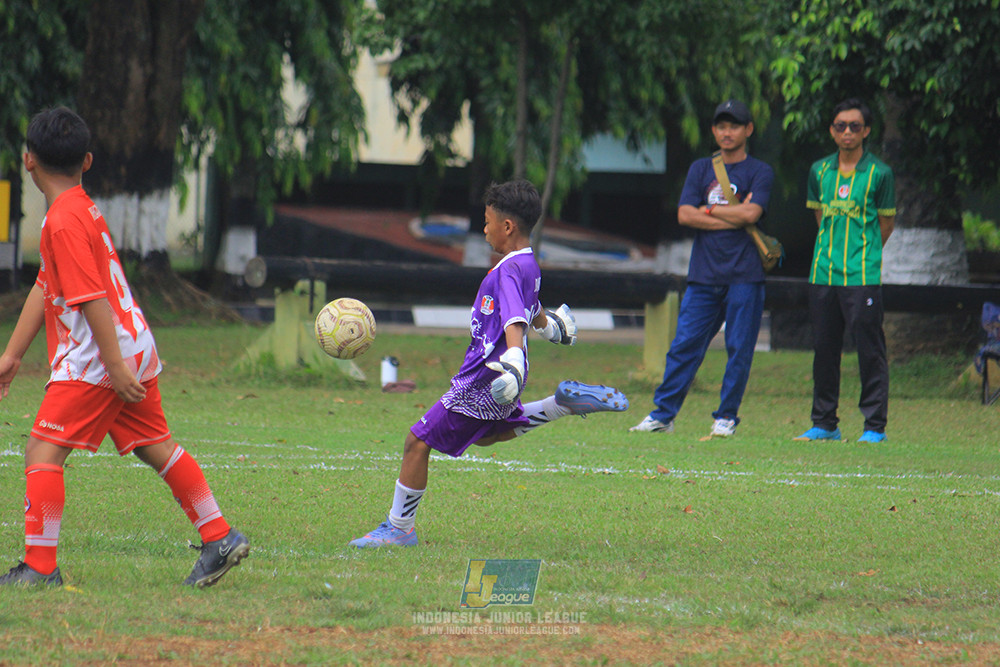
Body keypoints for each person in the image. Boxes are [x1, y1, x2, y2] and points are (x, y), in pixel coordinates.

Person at [0, 107, 249, 587]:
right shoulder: (80, 208)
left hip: (100, 355)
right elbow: (45, 283)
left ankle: (39, 569)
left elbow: (89, 297)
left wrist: (112, 366)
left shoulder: (62, 222)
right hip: (132, 341)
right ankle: (219, 534)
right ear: (87, 161)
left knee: (42, 452)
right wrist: (12, 356)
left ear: (28, 161)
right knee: (156, 445)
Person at [349, 179, 629, 547]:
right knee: (488, 435)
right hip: (501, 371)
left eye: (487, 221)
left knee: (417, 441)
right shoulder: (527, 264)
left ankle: (399, 529)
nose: (484, 231)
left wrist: (512, 360)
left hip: (489, 374)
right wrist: (551, 328)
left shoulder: (507, 270)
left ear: (507, 226)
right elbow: (531, 308)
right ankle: (558, 406)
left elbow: (514, 316)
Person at [631, 100, 775, 438]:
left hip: (745, 275)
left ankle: (726, 417)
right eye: (721, 126)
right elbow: (684, 215)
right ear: (714, 130)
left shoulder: (760, 171)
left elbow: (752, 216)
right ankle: (662, 415)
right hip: (703, 276)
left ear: (748, 130)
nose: (727, 132)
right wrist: (730, 216)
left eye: (735, 126)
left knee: (739, 347)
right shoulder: (700, 169)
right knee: (684, 346)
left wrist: (708, 212)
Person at [794, 98, 895, 444]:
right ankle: (825, 423)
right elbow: (820, 218)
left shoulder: (879, 173)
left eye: (855, 126)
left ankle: (874, 427)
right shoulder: (819, 171)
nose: (847, 132)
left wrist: (859, 252)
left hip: (862, 276)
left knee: (869, 350)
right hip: (823, 273)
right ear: (832, 131)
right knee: (824, 348)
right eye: (840, 126)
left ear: (866, 131)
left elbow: (885, 223)